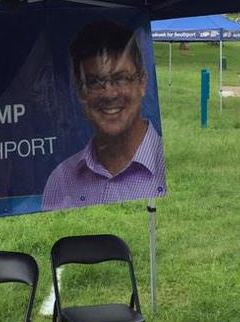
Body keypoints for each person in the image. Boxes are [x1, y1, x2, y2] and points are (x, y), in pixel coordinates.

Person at [42, 21, 166, 211]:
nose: (109, 94)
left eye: (121, 78)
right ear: (80, 91)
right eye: (94, 82)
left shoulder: (167, 164)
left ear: (142, 82)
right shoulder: (61, 180)